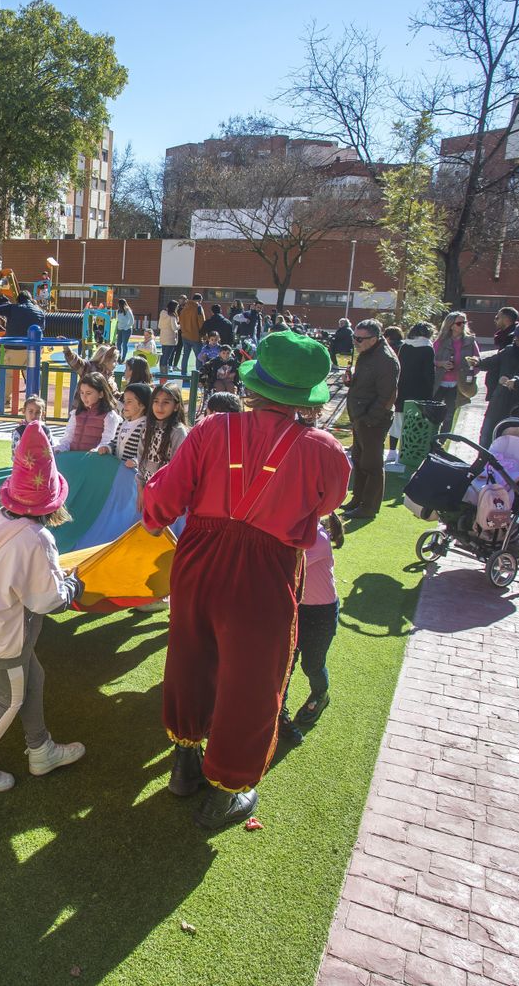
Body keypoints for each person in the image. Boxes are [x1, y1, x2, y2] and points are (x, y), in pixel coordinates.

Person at [140, 330, 350, 828]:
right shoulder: (324, 449)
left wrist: (159, 512)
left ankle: (184, 766)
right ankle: (226, 790)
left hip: (199, 558)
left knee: (191, 657)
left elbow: (162, 500)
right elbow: (327, 504)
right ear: (308, 395)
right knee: (252, 679)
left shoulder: (211, 428)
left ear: (255, 383)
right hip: (266, 568)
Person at [0, 423, 85, 792]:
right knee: (9, 699)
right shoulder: (36, 538)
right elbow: (46, 600)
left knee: (33, 678)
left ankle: (41, 749)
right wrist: (72, 586)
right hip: (3, 638)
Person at [283, 514, 345, 738]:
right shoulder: (293, 530)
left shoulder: (317, 537)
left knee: (312, 664)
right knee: (286, 663)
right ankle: (280, 711)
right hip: (296, 609)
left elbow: (288, 566)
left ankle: (320, 694)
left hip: (321, 614)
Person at [342, 319, 399, 521]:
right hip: (361, 416)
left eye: (359, 339)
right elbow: (367, 384)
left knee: (372, 464)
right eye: (354, 337)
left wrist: (369, 419)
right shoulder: (368, 353)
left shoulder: (385, 360)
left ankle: (369, 507)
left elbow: (388, 395)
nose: (355, 341)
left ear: (374, 339)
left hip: (372, 420)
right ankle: (358, 499)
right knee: (359, 459)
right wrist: (351, 381)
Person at [472, 321, 519, 446]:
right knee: (487, 434)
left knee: (511, 438)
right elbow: (492, 361)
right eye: (515, 335)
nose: (516, 338)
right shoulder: (509, 350)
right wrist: (478, 362)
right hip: (499, 398)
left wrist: (516, 383)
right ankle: (483, 456)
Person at [389, 321, 437, 465]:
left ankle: (392, 451)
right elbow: (429, 374)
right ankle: (406, 452)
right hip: (419, 391)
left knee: (397, 421)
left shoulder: (405, 346)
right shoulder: (428, 349)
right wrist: (430, 395)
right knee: (414, 424)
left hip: (402, 388)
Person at [431, 311, 481, 433]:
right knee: (433, 413)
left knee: (449, 414)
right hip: (439, 382)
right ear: (451, 325)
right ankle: (432, 437)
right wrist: (441, 364)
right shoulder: (440, 341)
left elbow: (478, 362)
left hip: (458, 384)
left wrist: (471, 369)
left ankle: (442, 440)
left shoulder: (470, 341)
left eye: (464, 322)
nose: (463, 325)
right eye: (459, 323)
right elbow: (431, 360)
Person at [133, 384, 188, 486]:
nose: (160, 406)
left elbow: (179, 467)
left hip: (167, 488)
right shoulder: (147, 427)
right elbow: (141, 457)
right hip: (147, 486)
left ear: (176, 406)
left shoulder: (178, 431)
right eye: (156, 401)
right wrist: (140, 485)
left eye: (166, 402)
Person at [54, 372, 121, 454]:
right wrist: (60, 448)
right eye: (82, 392)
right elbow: (68, 438)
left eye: (88, 393)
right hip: (73, 457)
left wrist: (97, 451)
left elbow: (107, 441)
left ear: (101, 394)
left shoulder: (109, 416)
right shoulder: (76, 413)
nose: (84, 396)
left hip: (93, 459)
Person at [59, 343, 119, 411]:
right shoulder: (88, 368)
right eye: (114, 361)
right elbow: (75, 361)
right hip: (83, 409)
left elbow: (113, 393)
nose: (116, 364)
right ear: (106, 360)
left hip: (100, 411)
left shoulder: (110, 376)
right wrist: (67, 349)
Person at [108, 382, 151, 467]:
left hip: (132, 473)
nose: (125, 405)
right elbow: (114, 444)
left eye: (129, 401)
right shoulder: (121, 424)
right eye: (124, 401)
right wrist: (108, 447)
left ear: (142, 405)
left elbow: (148, 453)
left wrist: (136, 461)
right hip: (117, 470)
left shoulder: (145, 427)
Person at [177, 294, 207, 370]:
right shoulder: (198, 307)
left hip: (185, 335)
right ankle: (198, 372)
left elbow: (180, 321)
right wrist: (204, 336)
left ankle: (183, 372)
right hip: (195, 335)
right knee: (199, 356)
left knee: (185, 355)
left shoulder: (184, 308)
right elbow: (202, 323)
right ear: (199, 300)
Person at [158, 299, 181, 374]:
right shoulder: (172, 316)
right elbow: (174, 328)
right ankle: (164, 373)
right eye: (177, 307)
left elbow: (159, 325)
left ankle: (161, 371)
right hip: (170, 338)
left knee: (163, 355)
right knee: (167, 357)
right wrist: (180, 326)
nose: (177, 308)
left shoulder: (162, 312)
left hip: (163, 336)